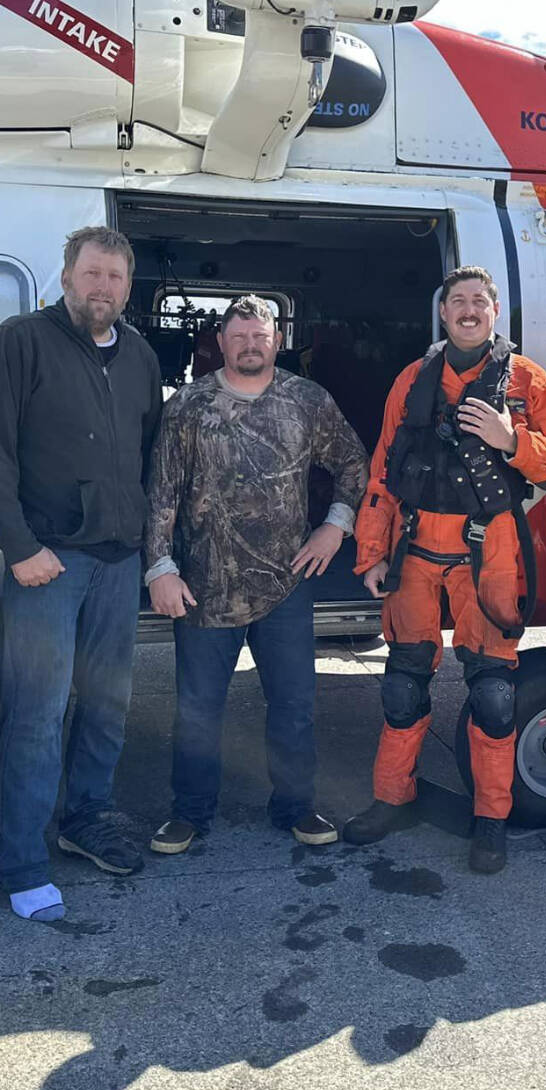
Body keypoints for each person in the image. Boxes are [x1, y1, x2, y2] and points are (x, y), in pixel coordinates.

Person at [341, 267, 546, 874]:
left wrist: (512, 438)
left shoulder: (528, 383)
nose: (469, 311)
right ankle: (392, 797)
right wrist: (371, 552)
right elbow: (382, 473)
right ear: (443, 314)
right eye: (458, 302)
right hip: (417, 543)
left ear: (495, 312)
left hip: (491, 545)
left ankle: (491, 819)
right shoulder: (412, 380)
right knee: (402, 682)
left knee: (496, 695)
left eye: (480, 301)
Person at [0, 226, 163, 922]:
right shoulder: (21, 341)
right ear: (66, 275)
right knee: (39, 716)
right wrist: (19, 548)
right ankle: (22, 865)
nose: (102, 287)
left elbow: (150, 456)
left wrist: (149, 547)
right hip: (47, 565)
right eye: (91, 273)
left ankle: (86, 822)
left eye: (115, 276)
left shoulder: (140, 355)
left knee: (108, 709)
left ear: (127, 286)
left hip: (118, 562)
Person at [142, 295, 371, 853]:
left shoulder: (305, 401)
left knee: (293, 705)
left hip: (286, 583)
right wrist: (160, 566)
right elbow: (161, 492)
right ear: (220, 342)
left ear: (276, 341)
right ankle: (190, 812)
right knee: (198, 709)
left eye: (260, 336)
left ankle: (295, 805)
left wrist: (334, 528)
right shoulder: (189, 407)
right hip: (205, 586)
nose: (250, 344)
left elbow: (354, 464)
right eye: (238, 335)